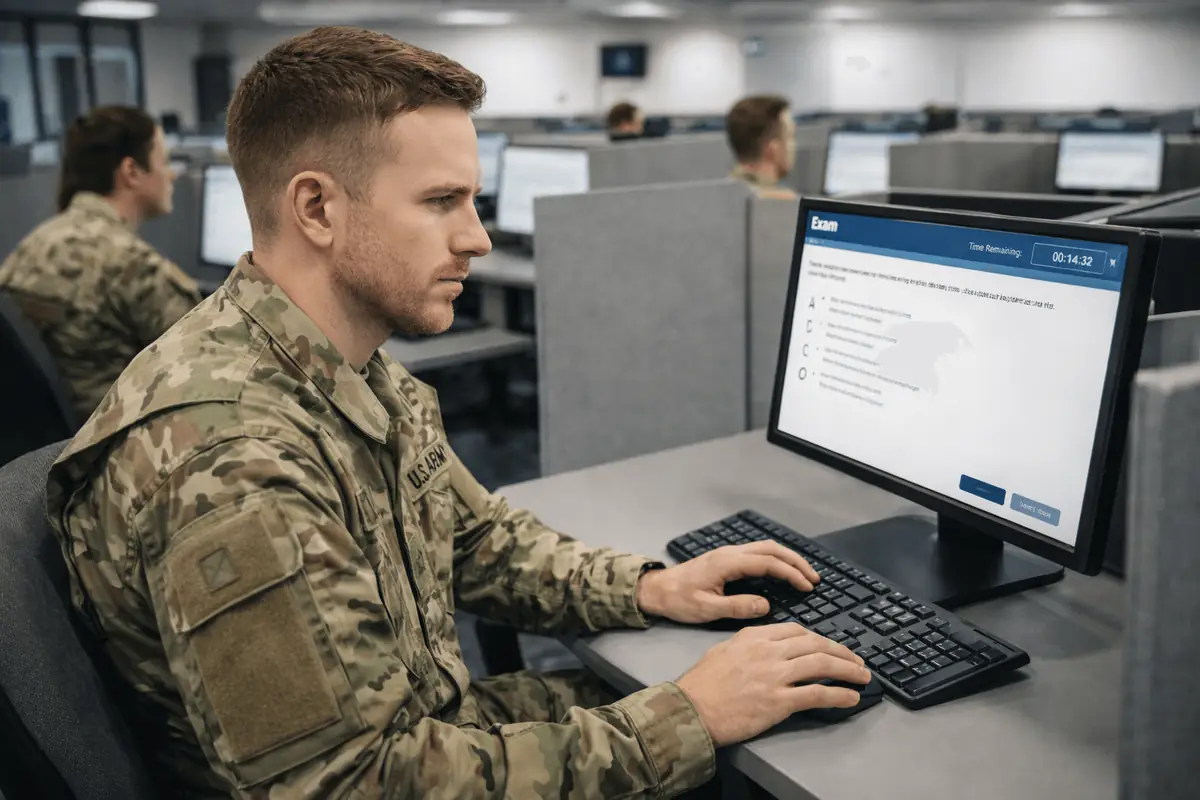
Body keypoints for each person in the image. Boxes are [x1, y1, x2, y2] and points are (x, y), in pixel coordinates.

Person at [46, 27, 868, 798]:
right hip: (389, 769)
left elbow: (475, 540)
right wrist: (687, 718)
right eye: (442, 200)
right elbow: (352, 783)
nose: (477, 237)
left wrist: (653, 588)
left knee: (768, 711)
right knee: (748, 759)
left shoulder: (339, 360)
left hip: (428, 727)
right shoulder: (231, 459)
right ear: (318, 209)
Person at [0, 105, 200, 421]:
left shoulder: (30, 247)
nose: (172, 173)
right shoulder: (133, 266)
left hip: (55, 445)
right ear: (131, 171)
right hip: (117, 445)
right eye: (164, 160)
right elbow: (207, 365)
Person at [725, 95, 798, 198]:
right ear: (772, 147)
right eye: (791, 136)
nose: (794, 146)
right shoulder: (782, 203)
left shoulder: (724, 195)